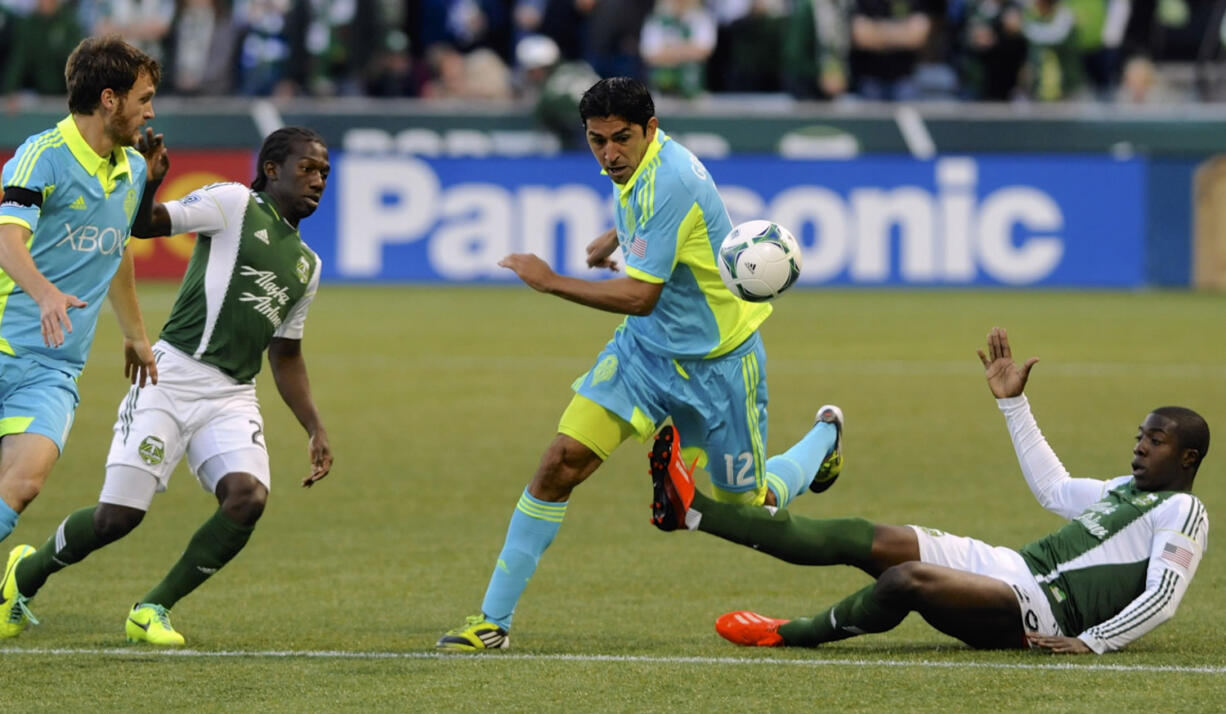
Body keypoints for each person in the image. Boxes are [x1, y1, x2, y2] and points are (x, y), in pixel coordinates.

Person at [437, 76, 843, 651]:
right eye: (596, 140)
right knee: (560, 462)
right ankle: (492, 622)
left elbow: (639, 295)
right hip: (644, 355)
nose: (608, 154)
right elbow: (655, 233)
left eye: (620, 139)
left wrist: (550, 280)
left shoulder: (671, 176)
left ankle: (825, 437)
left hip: (719, 366)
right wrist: (616, 237)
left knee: (751, 511)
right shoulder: (637, 164)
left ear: (651, 129)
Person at [650, 327, 1209, 654]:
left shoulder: (1184, 512)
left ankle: (791, 633)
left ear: (1187, 458)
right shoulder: (1121, 489)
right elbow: (1054, 487)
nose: (1139, 447)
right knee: (859, 536)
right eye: (1140, 437)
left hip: (1042, 611)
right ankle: (691, 510)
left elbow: (1162, 597)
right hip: (1008, 566)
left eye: (1155, 441)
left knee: (906, 581)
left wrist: (1093, 642)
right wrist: (1012, 404)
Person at [0, 126, 334, 645]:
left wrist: (313, 425)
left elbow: (285, 353)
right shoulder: (233, 204)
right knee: (118, 518)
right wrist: (151, 184)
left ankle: (152, 608)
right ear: (272, 169)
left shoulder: (307, 266)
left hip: (232, 396)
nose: (318, 181)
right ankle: (25, 575)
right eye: (307, 169)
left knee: (247, 497)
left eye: (325, 174)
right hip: (171, 375)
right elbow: (148, 225)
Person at [0, 35, 161, 552]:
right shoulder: (40, 156)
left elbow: (113, 249)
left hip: (52, 367)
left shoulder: (133, 168)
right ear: (109, 99)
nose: (150, 111)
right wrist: (46, 293)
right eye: (143, 99)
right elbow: (6, 239)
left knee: (24, 484)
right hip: (4, 342)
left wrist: (136, 335)